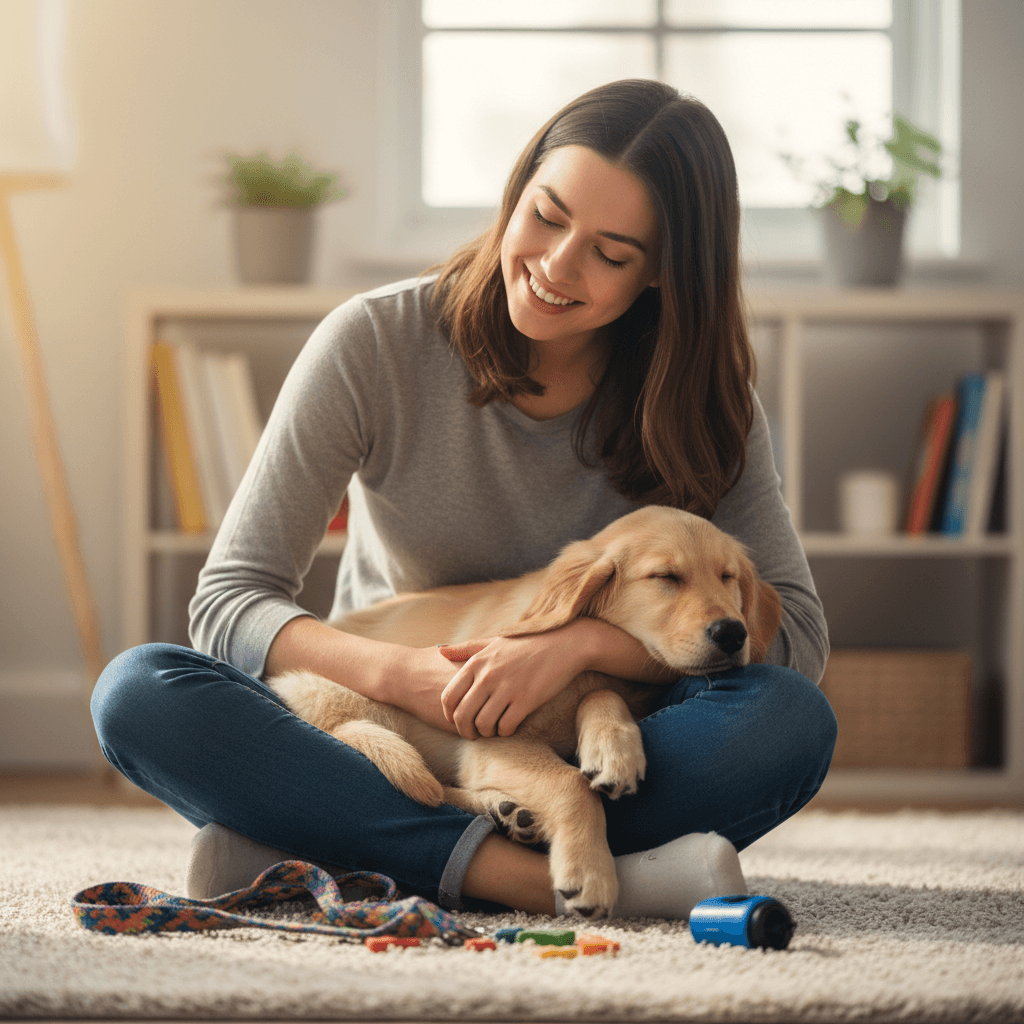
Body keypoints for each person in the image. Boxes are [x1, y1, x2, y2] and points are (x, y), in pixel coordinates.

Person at [92, 79, 835, 919]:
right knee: (138, 693)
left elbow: (796, 640)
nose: (556, 266)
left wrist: (578, 646)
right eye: (546, 215)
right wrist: (401, 676)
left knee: (788, 722)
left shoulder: (702, 400)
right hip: (392, 725)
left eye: (610, 254)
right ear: (516, 194)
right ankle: (534, 876)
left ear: (662, 272)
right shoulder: (374, 341)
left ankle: (329, 839)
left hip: (596, 744)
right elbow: (231, 601)